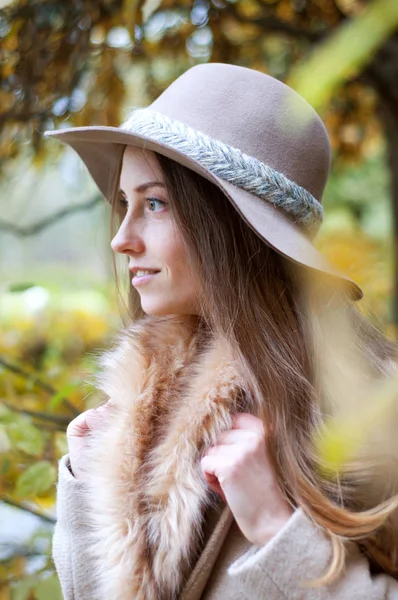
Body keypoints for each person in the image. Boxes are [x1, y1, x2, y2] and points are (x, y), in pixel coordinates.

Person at [45, 63, 398, 600]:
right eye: (124, 204)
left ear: (229, 224)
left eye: (155, 203)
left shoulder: (370, 406)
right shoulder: (149, 400)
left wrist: (278, 530)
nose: (121, 239)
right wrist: (87, 484)